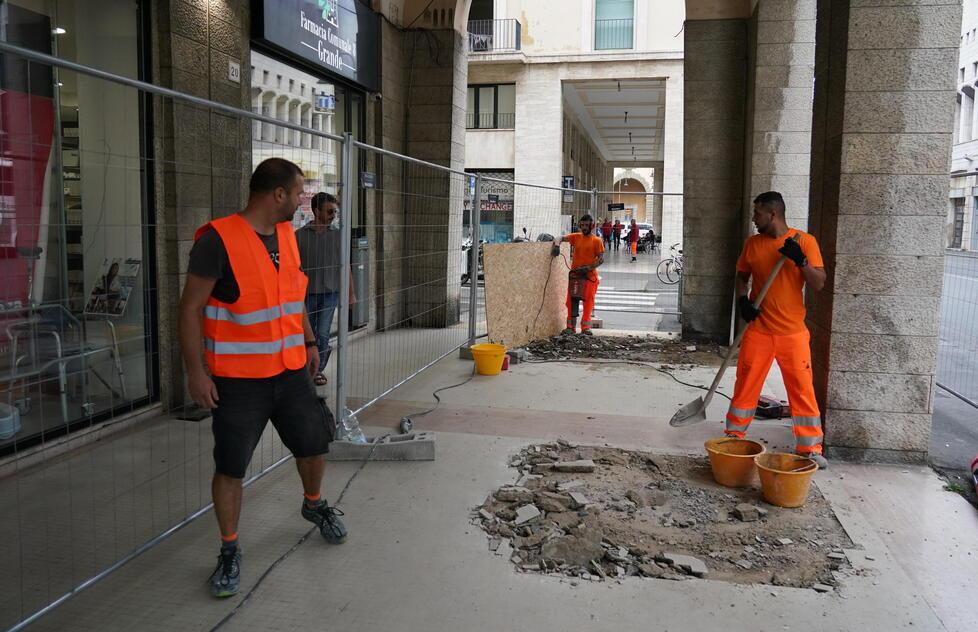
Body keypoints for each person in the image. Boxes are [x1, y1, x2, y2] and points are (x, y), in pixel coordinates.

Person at [179, 158, 347, 599]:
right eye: (298, 192)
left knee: (314, 444)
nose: (302, 199)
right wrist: (196, 372)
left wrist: (309, 342)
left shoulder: (287, 236)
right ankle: (229, 549)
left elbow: (292, 295)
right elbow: (189, 309)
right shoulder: (217, 240)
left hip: (290, 371)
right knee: (231, 466)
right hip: (239, 380)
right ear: (278, 194)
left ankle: (314, 504)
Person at [725, 191, 828, 469]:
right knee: (746, 384)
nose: (753, 218)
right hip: (758, 330)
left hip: (793, 333)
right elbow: (741, 277)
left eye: (757, 213)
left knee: (802, 389)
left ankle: (810, 447)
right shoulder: (753, 244)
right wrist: (743, 301)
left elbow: (819, 283)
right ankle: (734, 435)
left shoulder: (804, 242)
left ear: (772, 214)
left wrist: (801, 261)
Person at [295, 192, 356, 386]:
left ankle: (317, 370)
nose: (333, 215)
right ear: (316, 211)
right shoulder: (299, 236)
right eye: (330, 211)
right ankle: (308, 368)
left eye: (335, 212)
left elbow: (346, 267)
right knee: (308, 334)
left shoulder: (338, 236)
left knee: (322, 333)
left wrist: (351, 294)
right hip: (306, 295)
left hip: (330, 293)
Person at [555, 213, 604, 335]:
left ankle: (585, 328)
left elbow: (601, 259)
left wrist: (588, 268)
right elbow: (560, 237)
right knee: (571, 301)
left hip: (589, 277)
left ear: (592, 226)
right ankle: (570, 327)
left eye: (587, 225)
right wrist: (556, 245)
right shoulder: (576, 237)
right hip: (575, 276)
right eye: (582, 225)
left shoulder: (597, 241)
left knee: (588, 303)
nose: (584, 228)